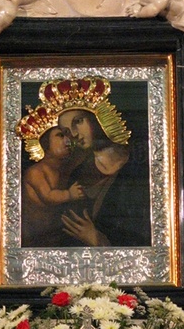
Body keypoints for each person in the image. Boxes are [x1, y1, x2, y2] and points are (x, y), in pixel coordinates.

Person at [37, 76, 151, 248]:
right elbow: (69, 235)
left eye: (78, 121)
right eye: (66, 131)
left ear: (98, 118)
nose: (74, 134)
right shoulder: (78, 176)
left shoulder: (140, 165)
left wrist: (98, 239)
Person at [20, 125, 86, 247]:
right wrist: (69, 194)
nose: (67, 140)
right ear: (46, 144)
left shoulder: (63, 168)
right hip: (36, 234)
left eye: (68, 135)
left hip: (55, 231)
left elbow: (80, 158)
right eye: (61, 135)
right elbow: (48, 196)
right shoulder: (36, 172)